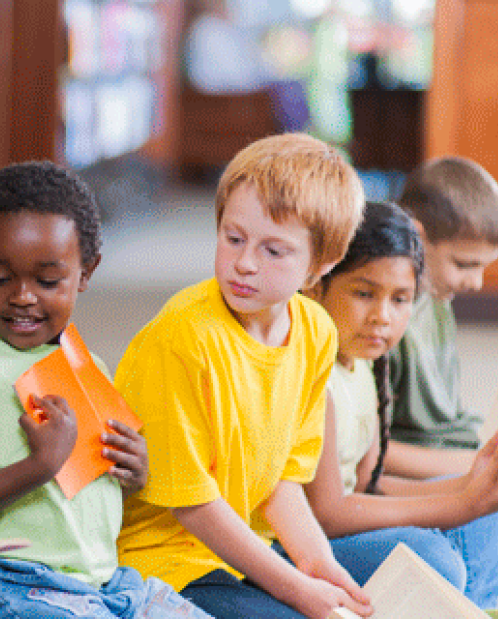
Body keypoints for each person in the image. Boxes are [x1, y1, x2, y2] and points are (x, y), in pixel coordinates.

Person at [0, 161, 210, 618]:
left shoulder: (86, 363)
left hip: (103, 578)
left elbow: (96, 481)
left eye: (48, 281)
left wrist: (133, 470)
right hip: (15, 581)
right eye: (0, 277)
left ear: (86, 272)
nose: (22, 296)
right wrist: (40, 465)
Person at [114, 133, 370, 619]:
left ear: (321, 266)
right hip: (169, 563)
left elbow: (283, 483)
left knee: (429, 560)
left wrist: (318, 564)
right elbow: (191, 506)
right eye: (233, 238)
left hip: (255, 546)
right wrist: (296, 589)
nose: (245, 263)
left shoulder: (315, 331)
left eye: (274, 251)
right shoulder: (183, 335)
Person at [305, 200, 498, 607]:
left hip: (347, 518)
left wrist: (472, 485)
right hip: (304, 544)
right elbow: (328, 513)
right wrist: (456, 506)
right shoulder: (313, 373)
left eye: (400, 299)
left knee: (488, 522)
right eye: (363, 293)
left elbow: (367, 484)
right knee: (436, 560)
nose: (382, 316)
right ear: (318, 285)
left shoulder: (366, 364)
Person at [382, 156, 498, 481]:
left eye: (483, 267)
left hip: (454, 451)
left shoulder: (436, 295)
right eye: (464, 264)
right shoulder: (382, 321)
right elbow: (369, 450)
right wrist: (474, 466)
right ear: (415, 237)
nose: (475, 283)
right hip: (419, 473)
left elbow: (446, 418)